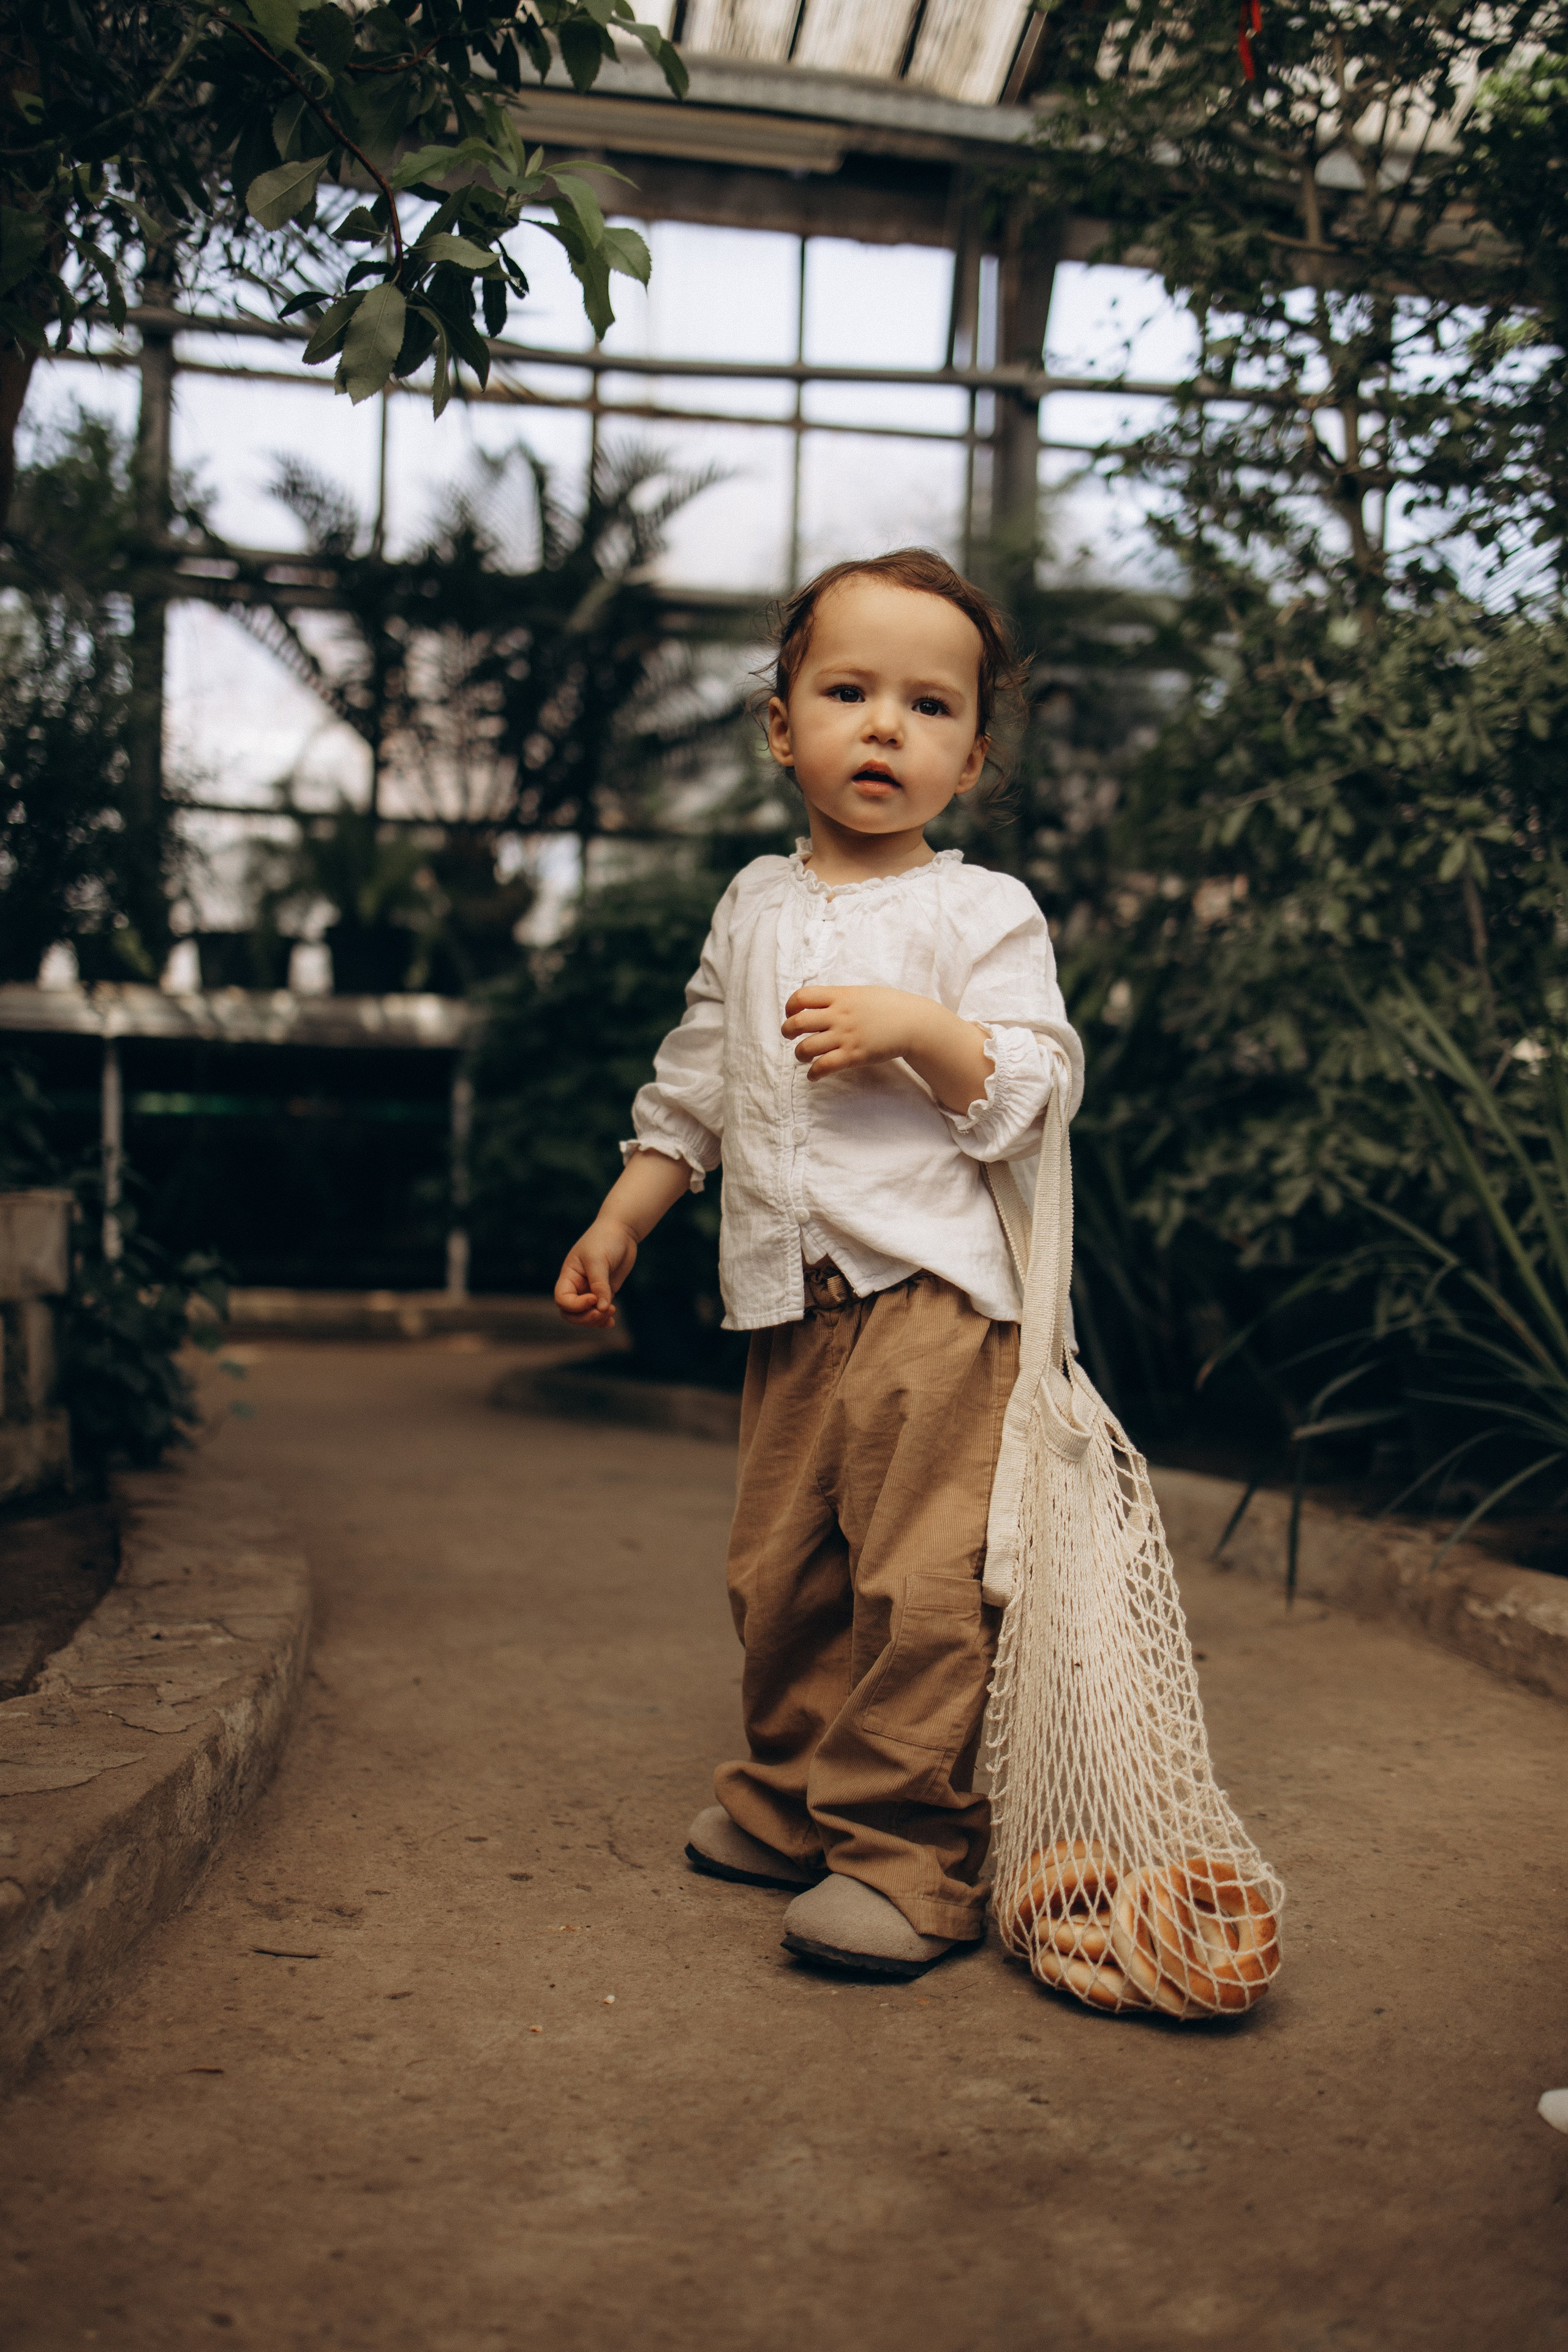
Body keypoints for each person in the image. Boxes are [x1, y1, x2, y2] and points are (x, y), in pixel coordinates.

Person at [554, 549, 1084, 1980]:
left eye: (927, 705)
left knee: (920, 1587)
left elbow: (1034, 1088)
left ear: (971, 758)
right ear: (781, 726)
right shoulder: (750, 903)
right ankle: (792, 1802)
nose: (883, 726)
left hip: (934, 1309)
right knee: (778, 1577)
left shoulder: (979, 913)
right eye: (846, 691)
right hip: (791, 1306)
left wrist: (913, 1029)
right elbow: (695, 1091)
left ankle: (910, 1863)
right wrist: (625, 1215)